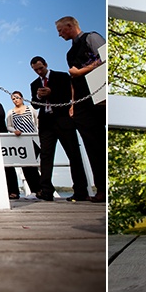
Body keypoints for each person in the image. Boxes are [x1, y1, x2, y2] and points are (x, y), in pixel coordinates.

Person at [55, 16, 106, 203]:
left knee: (102, 143)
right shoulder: (69, 54)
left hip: (100, 97)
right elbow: (73, 82)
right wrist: (73, 104)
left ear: (69, 26)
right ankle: (101, 189)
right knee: (91, 145)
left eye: (61, 31)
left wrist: (81, 71)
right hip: (83, 103)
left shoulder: (92, 38)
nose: (59, 35)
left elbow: (105, 58)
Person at [29, 56, 88, 201]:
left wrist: (51, 93)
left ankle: (81, 190)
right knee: (46, 156)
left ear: (46, 64)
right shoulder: (34, 84)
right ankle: (46, 190)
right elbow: (35, 105)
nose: (39, 72)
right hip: (46, 122)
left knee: (73, 154)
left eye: (40, 68)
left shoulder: (61, 77)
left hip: (63, 119)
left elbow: (68, 96)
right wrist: (39, 96)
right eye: (35, 70)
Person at [5, 90, 43, 196]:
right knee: (25, 166)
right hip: (21, 142)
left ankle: (41, 189)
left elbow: (36, 121)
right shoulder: (10, 112)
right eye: (13, 99)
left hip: (33, 139)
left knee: (33, 165)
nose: (16, 100)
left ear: (22, 98)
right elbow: (9, 125)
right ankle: (35, 190)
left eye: (17, 97)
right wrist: (14, 131)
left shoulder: (30, 109)